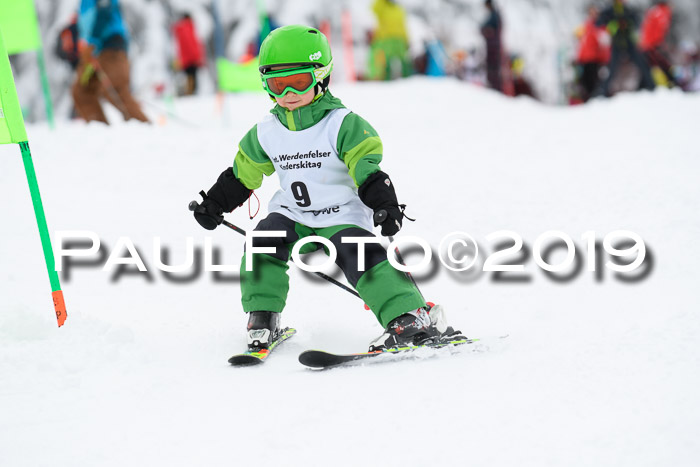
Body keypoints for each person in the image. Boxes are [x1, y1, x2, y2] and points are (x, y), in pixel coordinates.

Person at [192, 25, 462, 352]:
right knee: (261, 243)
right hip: (292, 213)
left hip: (341, 215)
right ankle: (262, 317)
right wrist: (215, 204)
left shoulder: (342, 124)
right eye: (278, 84)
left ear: (321, 76)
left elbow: (366, 168)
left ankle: (407, 316)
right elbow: (243, 174)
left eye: (299, 81)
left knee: (361, 254)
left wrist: (385, 203)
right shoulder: (266, 131)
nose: (288, 92)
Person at [72, 0, 150, 124]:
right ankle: (100, 130)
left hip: (110, 45)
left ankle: (144, 128)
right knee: (82, 91)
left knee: (114, 88)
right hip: (92, 50)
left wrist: (92, 41)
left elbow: (104, 11)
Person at [595, 0, 655, 96]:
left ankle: (651, 86)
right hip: (617, 43)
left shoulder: (628, 10)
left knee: (642, 64)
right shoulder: (610, 10)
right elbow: (599, 22)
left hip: (629, 42)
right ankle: (602, 92)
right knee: (612, 68)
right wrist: (615, 24)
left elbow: (637, 22)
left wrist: (627, 23)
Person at [369, 0, 412, 80]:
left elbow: (403, 26)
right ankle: (383, 79)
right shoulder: (383, 7)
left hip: (399, 40)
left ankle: (408, 79)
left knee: (404, 61)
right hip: (385, 39)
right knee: (382, 61)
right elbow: (373, 8)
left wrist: (407, 40)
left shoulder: (399, 9)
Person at [575, 5, 610, 102]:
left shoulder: (600, 25)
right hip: (584, 58)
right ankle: (586, 100)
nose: (592, 14)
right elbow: (581, 41)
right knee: (584, 81)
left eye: (594, 12)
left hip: (594, 58)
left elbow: (605, 42)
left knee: (593, 81)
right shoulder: (586, 24)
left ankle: (593, 100)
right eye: (590, 12)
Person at [639, 0, 677, 87]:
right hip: (652, 45)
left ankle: (644, 85)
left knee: (648, 65)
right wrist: (658, 43)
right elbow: (658, 30)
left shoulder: (655, 11)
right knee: (664, 63)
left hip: (648, 44)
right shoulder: (662, 12)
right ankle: (672, 81)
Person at [173, 13, 204, 96]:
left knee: (189, 77)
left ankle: (189, 93)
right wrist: (196, 56)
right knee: (191, 78)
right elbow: (191, 44)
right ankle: (190, 93)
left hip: (185, 59)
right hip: (191, 58)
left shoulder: (182, 29)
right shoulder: (187, 28)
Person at [480, 0, 503, 92]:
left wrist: (487, 31)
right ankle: (493, 85)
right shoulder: (493, 15)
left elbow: (492, 29)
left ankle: (495, 86)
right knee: (491, 65)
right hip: (492, 46)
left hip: (494, 46)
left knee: (493, 66)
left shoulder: (494, 16)